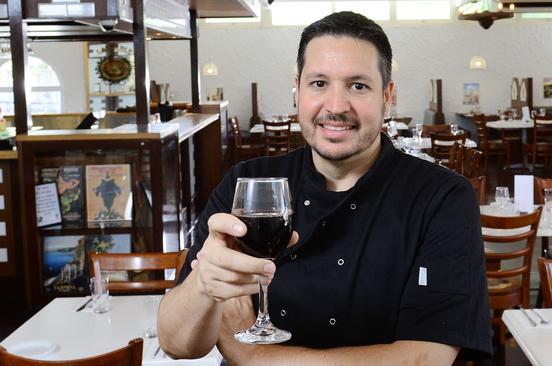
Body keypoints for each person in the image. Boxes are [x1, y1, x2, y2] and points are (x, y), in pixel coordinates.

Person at [158, 11, 491, 365]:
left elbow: (427, 358)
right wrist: (203, 286)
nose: (335, 106)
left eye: (358, 85)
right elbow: (177, 344)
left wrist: (254, 357)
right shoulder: (247, 185)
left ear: (387, 97)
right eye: (319, 83)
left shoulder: (442, 196)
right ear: (297, 89)